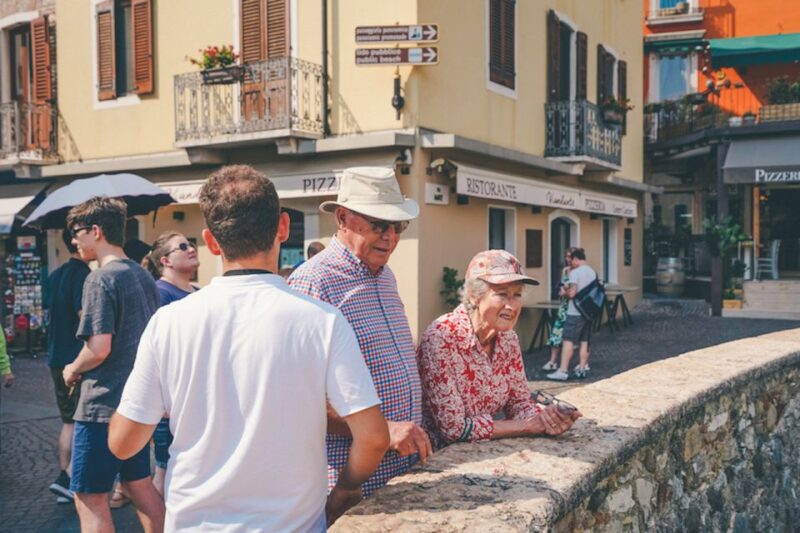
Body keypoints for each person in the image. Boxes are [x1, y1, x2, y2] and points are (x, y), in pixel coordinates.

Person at [110, 165, 389, 531]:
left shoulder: (169, 323)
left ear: (211, 242)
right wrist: (345, 490)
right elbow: (374, 437)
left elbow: (122, 444)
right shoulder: (322, 321)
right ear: (283, 228)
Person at [289, 166, 432, 496]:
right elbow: (298, 396)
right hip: (346, 480)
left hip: (400, 468)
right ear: (342, 218)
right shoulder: (314, 281)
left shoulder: (386, 275)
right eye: (379, 224)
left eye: (398, 226)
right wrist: (383, 429)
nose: (391, 236)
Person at [63, 197, 164, 532]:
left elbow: (98, 349)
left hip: (102, 405)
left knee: (88, 495)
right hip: (136, 403)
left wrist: (72, 368)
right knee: (139, 484)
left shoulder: (100, 279)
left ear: (96, 231)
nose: (74, 240)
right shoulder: (142, 275)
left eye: (77, 232)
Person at [418, 250, 581, 448]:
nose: (511, 306)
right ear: (474, 296)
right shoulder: (441, 338)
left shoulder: (508, 339)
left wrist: (548, 418)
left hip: (483, 451)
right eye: (502, 294)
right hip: (438, 460)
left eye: (517, 295)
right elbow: (454, 429)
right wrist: (527, 426)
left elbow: (519, 403)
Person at [141, 232, 200, 496]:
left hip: (193, 397)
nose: (191, 249)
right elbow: (155, 352)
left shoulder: (197, 292)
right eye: (183, 246)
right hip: (171, 404)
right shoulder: (160, 293)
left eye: (192, 243)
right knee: (165, 471)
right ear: (165, 260)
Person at [45, 229, 91, 503]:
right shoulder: (82, 275)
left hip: (55, 355)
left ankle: (65, 477)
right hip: (76, 358)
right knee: (83, 421)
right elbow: (83, 318)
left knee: (67, 421)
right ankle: (67, 480)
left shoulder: (55, 275)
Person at [546, 247, 597, 381]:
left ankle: (563, 370)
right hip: (588, 312)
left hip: (575, 312)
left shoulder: (575, 273)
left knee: (568, 340)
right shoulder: (592, 272)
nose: (570, 262)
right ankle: (582, 368)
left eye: (571, 259)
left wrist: (565, 293)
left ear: (575, 259)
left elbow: (573, 293)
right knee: (584, 341)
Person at [542, 247, 576, 372]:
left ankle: (573, 363)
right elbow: (562, 287)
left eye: (570, 257)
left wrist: (566, 291)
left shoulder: (579, 272)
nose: (568, 260)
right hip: (564, 307)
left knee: (574, 336)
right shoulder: (565, 271)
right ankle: (552, 361)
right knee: (556, 334)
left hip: (575, 308)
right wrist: (562, 291)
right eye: (567, 257)